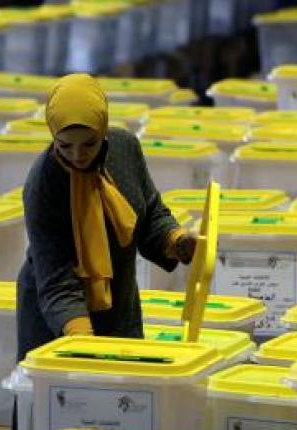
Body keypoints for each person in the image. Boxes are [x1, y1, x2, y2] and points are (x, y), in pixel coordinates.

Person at [17, 73, 197, 363]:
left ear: (103, 130)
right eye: (65, 145)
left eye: (89, 144)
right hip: (58, 318)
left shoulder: (124, 148)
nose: (78, 155)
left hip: (118, 299)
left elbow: (149, 211)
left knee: (122, 379)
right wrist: (81, 342)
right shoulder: (43, 184)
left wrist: (175, 240)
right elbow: (56, 278)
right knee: (75, 384)